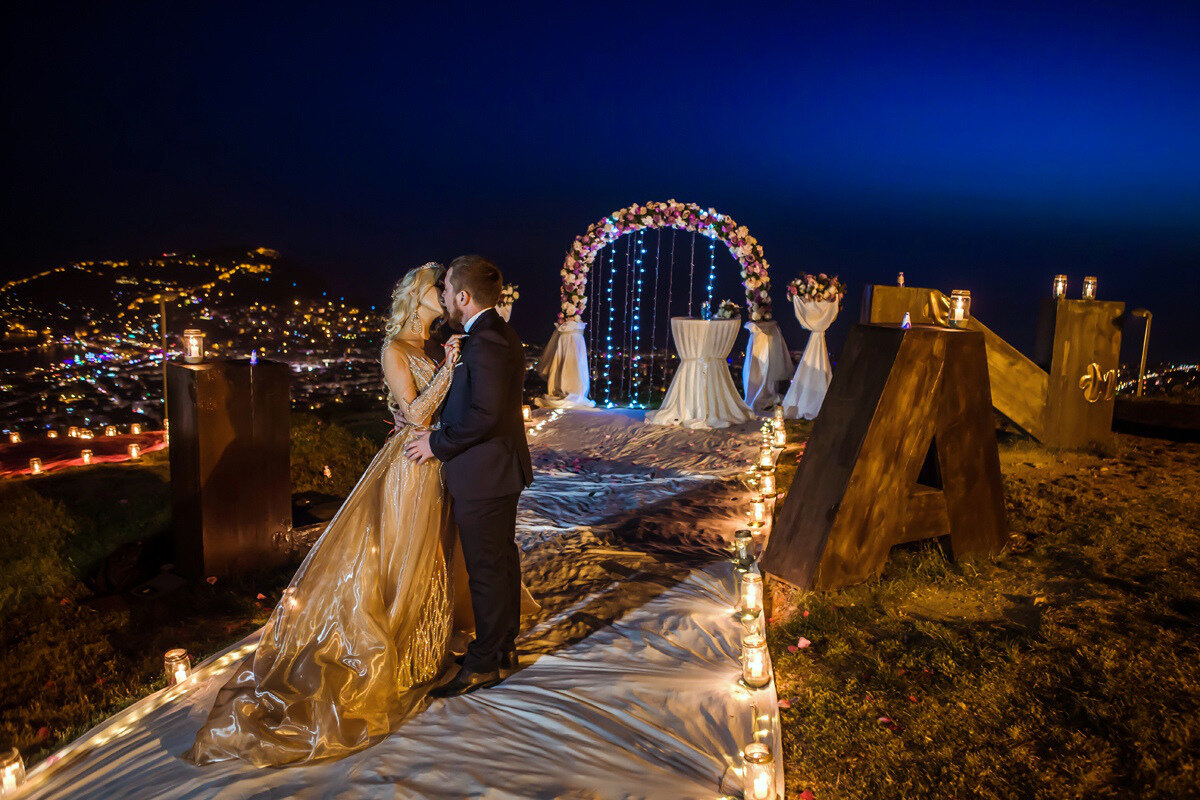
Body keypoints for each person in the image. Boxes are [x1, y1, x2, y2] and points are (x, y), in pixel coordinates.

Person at [184, 263, 463, 767]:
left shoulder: (426, 348)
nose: (444, 294)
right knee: (403, 558)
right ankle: (395, 652)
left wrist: (444, 371)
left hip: (433, 464)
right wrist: (451, 366)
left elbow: (426, 411)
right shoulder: (396, 349)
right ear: (417, 296)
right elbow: (418, 416)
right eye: (436, 287)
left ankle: (424, 644)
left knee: (427, 557)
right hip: (409, 470)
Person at [405, 254, 534, 698]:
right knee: (497, 562)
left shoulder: (487, 341)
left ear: (462, 296)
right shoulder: (484, 335)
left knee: (486, 568)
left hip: (486, 473)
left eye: (445, 291)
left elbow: (485, 414)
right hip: (491, 471)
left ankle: (483, 664)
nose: (441, 297)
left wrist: (434, 444)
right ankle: (499, 647)